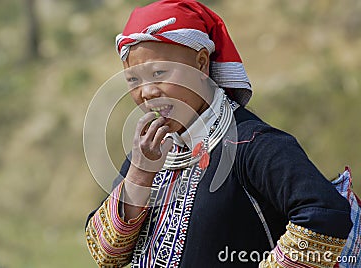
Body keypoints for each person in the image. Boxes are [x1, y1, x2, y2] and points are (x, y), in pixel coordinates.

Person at [85, 0, 353, 267]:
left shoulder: (253, 144)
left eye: (159, 73)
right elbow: (107, 254)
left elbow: (325, 216)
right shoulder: (147, 155)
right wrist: (140, 175)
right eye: (134, 80)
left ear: (202, 64)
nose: (147, 92)